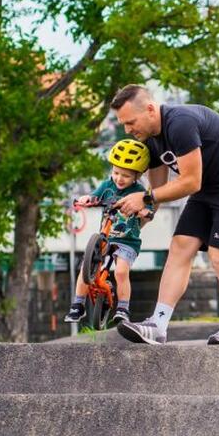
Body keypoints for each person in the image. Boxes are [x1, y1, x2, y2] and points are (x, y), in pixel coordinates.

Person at [111, 85, 219, 345]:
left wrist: (146, 198)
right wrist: (137, 222)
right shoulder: (149, 139)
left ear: (150, 109)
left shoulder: (180, 124)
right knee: (180, 246)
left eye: (130, 122)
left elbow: (190, 182)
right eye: (123, 124)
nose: (127, 130)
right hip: (208, 186)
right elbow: (158, 192)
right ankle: (157, 326)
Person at [64, 138, 155, 327]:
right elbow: (94, 196)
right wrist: (86, 199)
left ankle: (122, 308)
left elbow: (148, 208)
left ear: (137, 176)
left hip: (127, 242)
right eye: (116, 172)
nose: (119, 178)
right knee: (85, 269)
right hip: (105, 238)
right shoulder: (108, 186)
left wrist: (146, 211)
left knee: (121, 272)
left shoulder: (138, 192)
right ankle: (78, 304)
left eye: (126, 176)